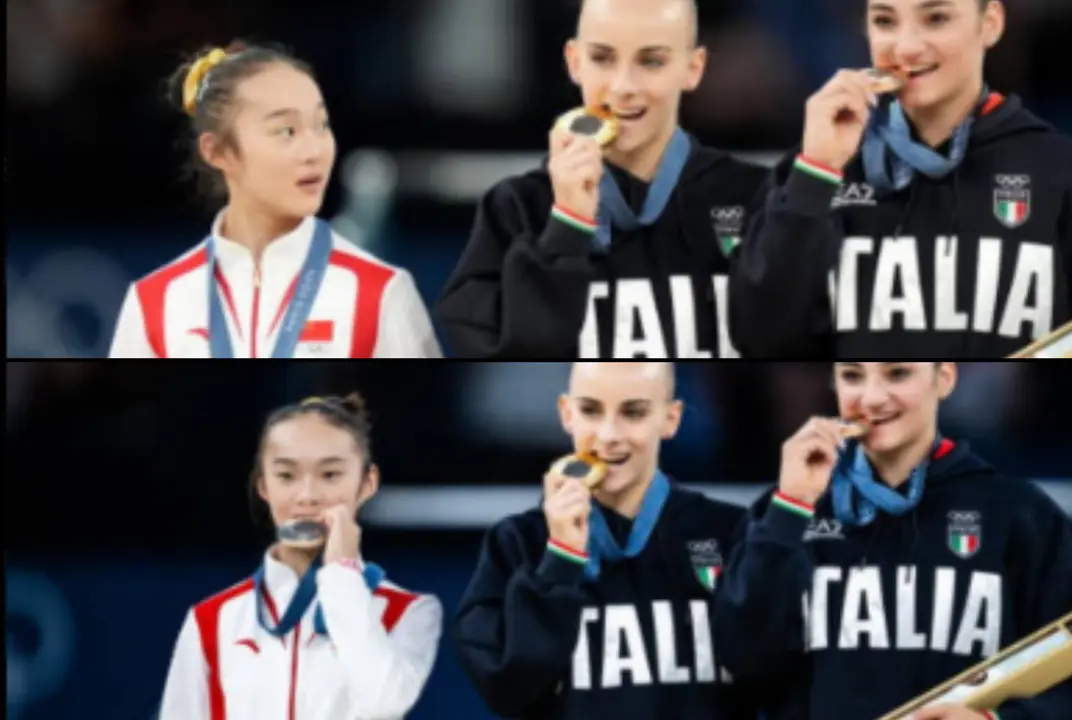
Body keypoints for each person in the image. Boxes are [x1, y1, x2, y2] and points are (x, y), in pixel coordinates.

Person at [729, 0, 1072, 358]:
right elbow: (761, 340)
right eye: (885, 21)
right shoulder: (816, 169)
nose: (906, 47)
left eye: (936, 19)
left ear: (990, 23)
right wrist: (817, 174)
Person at [713, 362, 1072, 719]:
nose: (872, 398)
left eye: (898, 373)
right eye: (853, 375)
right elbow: (741, 664)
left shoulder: (1016, 513)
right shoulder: (788, 511)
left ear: (943, 379)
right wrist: (791, 507)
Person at [435, 0, 768, 359]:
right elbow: (500, 359)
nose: (623, 86)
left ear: (693, 68)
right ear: (574, 61)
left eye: (651, 61)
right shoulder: (517, 207)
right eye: (602, 58)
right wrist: (567, 226)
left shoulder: (753, 196)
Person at [453, 362, 763, 719]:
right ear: (566, 414)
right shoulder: (518, 543)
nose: (609, 434)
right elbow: (510, 692)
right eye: (590, 410)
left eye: (633, 412)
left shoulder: (728, 530)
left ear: (670, 419)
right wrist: (561, 559)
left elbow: (772, 670)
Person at [109, 42, 442, 358]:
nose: (314, 151)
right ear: (218, 151)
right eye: (286, 131)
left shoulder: (381, 292)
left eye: (321, 125)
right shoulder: (154, 301)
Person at [159, 394, 443, 719]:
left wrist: (342, 572)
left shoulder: (408, 612)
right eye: (286, 476)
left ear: (366, 483)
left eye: (330, 475)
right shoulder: (211, 620)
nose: (307, 496)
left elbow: (383, 703)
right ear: (263, 486)